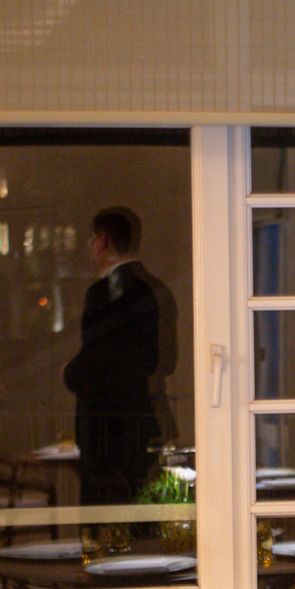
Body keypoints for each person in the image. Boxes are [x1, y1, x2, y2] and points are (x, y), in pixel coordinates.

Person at [63, 207, 176, 507]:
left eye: (91, 241)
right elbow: (164, 360)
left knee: (106, 510)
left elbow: (99, 360)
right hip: (142, 417)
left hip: (107, 429)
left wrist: (69, 372)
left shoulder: (105, 292)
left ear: (102, 241)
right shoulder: (155, 289)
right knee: (138, 505)